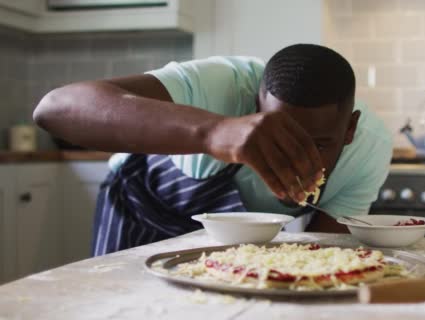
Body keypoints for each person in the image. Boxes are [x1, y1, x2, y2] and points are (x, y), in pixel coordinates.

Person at [33, 44, 392, 256]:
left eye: (319, 144)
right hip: (139, 207)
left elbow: (322, 251)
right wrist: (214, 130)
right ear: (253, 105)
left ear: (349, 130)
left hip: (232, 238)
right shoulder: (222, 82)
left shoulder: (368, 152)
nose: (294, 157)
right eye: (279, 134)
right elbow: (54, 108)